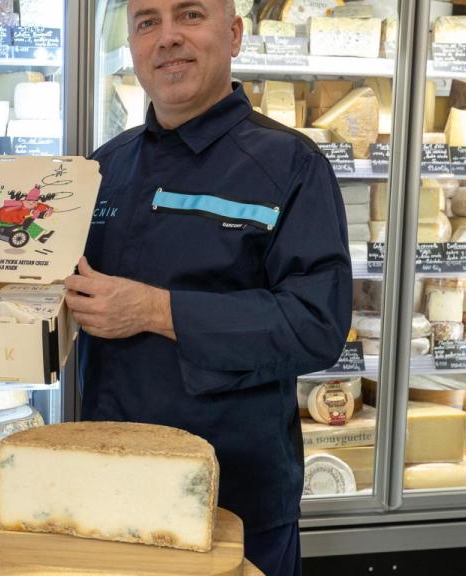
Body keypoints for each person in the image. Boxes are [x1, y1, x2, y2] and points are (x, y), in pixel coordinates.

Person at [63, 1, 352, 575]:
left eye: (189, 15)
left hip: (233, 500)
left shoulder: (291, 165)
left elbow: (317, 324)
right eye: (147, 22)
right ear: (133, 49)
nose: (166, 37)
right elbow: (62, 293)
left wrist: (155, 310)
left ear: (235, 33)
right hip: (108, 485)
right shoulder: (102, 168)